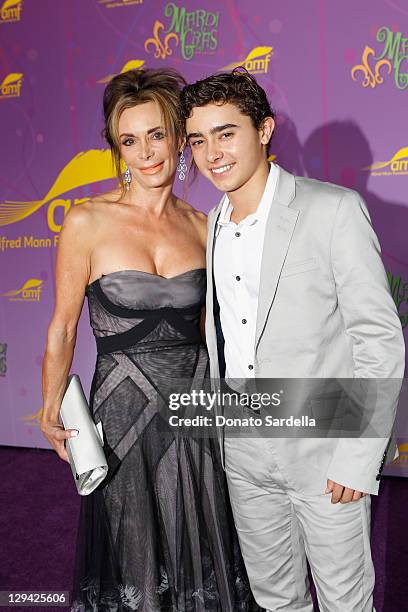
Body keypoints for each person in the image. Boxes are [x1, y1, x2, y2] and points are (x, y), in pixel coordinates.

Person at [180, 69, 405, 612]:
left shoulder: (333, 210)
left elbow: (378, 338)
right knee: (275, 597)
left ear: (264, 130)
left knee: (345, 601)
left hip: (325, 448)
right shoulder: (211, 222)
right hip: (244, 451)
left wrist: (357, 457)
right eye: (198, 139)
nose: (212, 153)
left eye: (226, 133)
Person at [41, 68, 262, 612]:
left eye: (156, 135)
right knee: (135, 558)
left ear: (178, 136)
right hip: (122, 420)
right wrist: (51, 404)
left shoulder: (204, 224)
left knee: (204, 549)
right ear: (117, 149)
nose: (146, 153)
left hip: (196, 412)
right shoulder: (87, 222)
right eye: (129, 140)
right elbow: (64, 326)